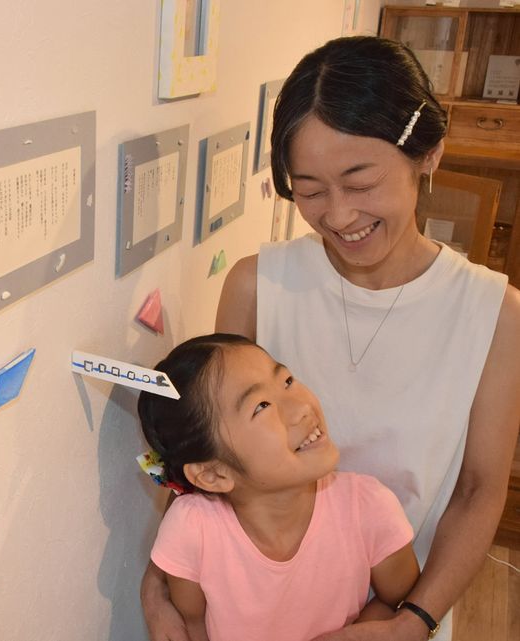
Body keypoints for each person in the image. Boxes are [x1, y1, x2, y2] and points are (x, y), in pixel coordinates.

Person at [141, 36, 520, 641]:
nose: (339, 216)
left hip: (405, 604)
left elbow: (478, 492)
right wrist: (159, 587)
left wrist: (413, 623)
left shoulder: (494, 314)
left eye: (361, 182)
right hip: (258, 611)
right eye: (310, 191)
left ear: (428, 155)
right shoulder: (257, 285)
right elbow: (211, 441)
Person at [139, 333, 420, 641]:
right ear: (214, 475)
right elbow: (193, 628)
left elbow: (399, 601)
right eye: (261, 406)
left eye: (287, 380)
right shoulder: (192, 530)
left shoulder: (369, 507)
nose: (301, 406)